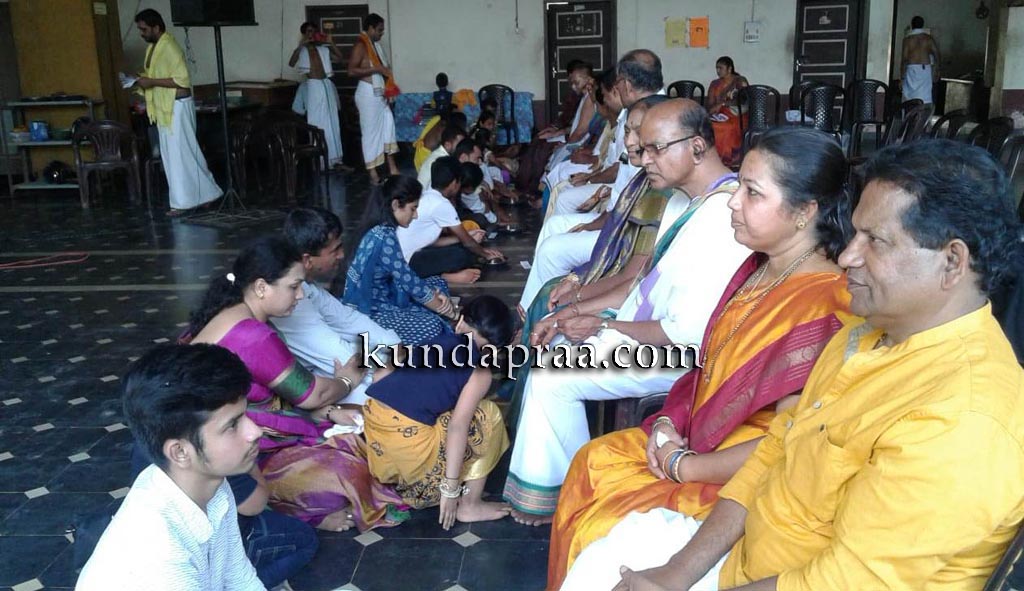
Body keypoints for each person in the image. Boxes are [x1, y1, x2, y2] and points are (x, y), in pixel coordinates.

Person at [577, 139, 1024, 591]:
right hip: (744, 559)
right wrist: (674, 575)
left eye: (875, 241)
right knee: (603, 557)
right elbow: (773, 454)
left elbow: (841, 583)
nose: (847, 256)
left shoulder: (963, 419)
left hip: (788, 580)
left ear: (952, 262)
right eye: (855, 234)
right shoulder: (864, 336)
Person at [550, 127, 855, 589]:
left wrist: (684, 465)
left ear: (804, 211)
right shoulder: (758, 268)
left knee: (604, 523)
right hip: (692, 437)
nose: (733, 202)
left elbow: (789, 444)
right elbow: (706, 368)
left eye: (752, 192)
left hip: (736, 477)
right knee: (593, 461)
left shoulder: (826, 304)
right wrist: (668, 423)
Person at [503, 99, 752, 526]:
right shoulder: (682, 200)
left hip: (685, 355)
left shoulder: (722, 217)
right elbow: (643, 282)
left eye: (656, 148)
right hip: (647, 328)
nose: (643, 157)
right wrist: (574, 315)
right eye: (641, 146)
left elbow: (685, 334)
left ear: (696, 146)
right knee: (554, 341)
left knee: (553, 375)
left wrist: (603, 323)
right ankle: (572, 478)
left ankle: (565, 494)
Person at [187, 237, 408, 533]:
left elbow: (280, 396)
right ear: (261, 287)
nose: (301, 295)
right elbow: (313, 394)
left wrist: (328, 412)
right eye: (293, 286)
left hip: (236, 435)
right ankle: (298, 512)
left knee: (358, 430)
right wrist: (346, 379)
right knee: (351, 465)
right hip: (236, 453)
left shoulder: (235, 313)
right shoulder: (252, 336)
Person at [76, 344, 265, 590]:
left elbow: (238, 576)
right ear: (180, 452)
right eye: (232, 425)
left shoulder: (209, 485)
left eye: (245, 415)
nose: (255, 431)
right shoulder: (160, 557)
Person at [363, 295, 516, 530]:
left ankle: (404, 479)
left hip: (378, 448)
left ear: (461, 321)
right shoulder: (480, 371)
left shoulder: (434, 342)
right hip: (412, 459)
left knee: (447, 409)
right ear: (496, 346)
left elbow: (380, 377)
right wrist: (450, 489)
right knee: (487, 413)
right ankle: (470, 505)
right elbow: (457, 427)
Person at [518, 95, 672, 311]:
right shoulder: (643, 177)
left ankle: (540, 310)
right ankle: (531, 307)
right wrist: (576, 277)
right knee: (555, 226)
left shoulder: (661, 190)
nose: (629, 142)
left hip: (626, 265)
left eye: (638, 133)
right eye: (627, 132)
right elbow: (618, 215)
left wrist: (576, 297)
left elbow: (632, 274)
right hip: (616, 234)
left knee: (552, 250)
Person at [271, 207, 401, 405]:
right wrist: (388, 365)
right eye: (335, 250)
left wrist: (394, 347)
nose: (341, 255)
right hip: (320, 384)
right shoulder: (290, 301)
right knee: (385, 397)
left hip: (336, 375)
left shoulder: (306, 287)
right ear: (307, 260)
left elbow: (347, 319)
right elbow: (341, 357)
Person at [546, 50, 665, 219]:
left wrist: (591, 181)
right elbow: (624, 173)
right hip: (622, 202)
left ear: (626, 85)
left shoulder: (648, 115)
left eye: (618, 84)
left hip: (632, 213)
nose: (629, 141)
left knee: (562, 208)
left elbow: (627, 183)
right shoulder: (650, 110)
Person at [343, 175, 461, 344]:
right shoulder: (384, 236)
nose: (416, 215)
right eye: (413, 209)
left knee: (437, 283)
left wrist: (434, 295)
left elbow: (404, 278)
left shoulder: (381, 229)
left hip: (388, 292)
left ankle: (437, 311)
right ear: (396, 205)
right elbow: (410, 283)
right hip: (374, 311)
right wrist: (451, 313)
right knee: (432, 327)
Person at [132, 9, 221, 217]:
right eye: (140, 29)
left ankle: (184, 202)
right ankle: (207, 194)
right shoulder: (153, 49)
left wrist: (151, 81)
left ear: (156, 27)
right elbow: (154, 76)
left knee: (182, 154)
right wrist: (140, 80)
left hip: (178, 106)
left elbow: (181, 81)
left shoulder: (170, 47)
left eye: (144, 29)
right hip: (166, 107)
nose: (141, 33)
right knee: (174, 155)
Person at [400, 156, 504, 281]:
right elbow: (468, 243)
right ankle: (445, 277)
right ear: (455, 183)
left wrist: (471, 240)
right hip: (409, 262)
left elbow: (432, 242)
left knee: (463, 249)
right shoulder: (441, 203)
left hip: (408, 256)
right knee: (462, 255)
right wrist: (486, 254)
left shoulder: (427, 195)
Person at [348, 13, 399, 184]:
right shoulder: (360, 45)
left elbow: (384, 70)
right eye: (379, 30)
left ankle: (392, 167)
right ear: (370, 28)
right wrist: (376, 69)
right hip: (367, 94)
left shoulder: (375, 46)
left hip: (380, 95)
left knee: (388, 128)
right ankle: (373, 173)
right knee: (370, 134)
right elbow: (351, 71)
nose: (381, 33)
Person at [289, 22, 345, 168]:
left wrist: (331, 43)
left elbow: (340, 59)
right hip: (314, 86)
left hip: (326, 84)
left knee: (332, 122)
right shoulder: (302, 50)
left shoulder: (323, 49)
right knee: (317, 122)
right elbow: (291, 63)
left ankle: (336, 160)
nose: (311, 34)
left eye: (313, 31)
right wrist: (301, 45)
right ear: (303, 34)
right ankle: (320, 163)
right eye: (308, 31)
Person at [705, 56, 748, 167]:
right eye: (717, 68)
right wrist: (713, 110)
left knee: (727, 127)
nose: (718, 71)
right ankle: (713, 159)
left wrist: (723, 104)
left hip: (737, 115)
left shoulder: (740, 81)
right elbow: (710, 104)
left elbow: (744, 100)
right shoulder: (714, 84)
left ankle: (728, 158)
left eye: (721, 68)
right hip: (719, 115)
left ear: (729, 69)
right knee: (710, 125)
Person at [901, 15, 941, 104]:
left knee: (909, 96)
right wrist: (937, 69)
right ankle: (923, 112)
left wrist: (902, 77)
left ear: (912, 25)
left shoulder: (907, 40)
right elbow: (937, 54)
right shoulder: (928, 38)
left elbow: (904, 59)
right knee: (924, 97)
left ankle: (911, 111)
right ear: (922, 25)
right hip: (924, 70)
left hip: (912, 70)